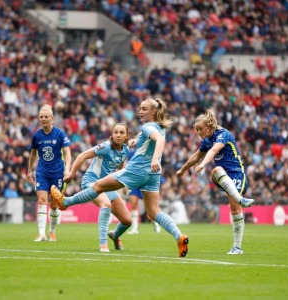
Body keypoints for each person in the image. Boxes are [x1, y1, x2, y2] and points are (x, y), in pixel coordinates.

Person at [52, 98, 189, 257]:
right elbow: (151, 139)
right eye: (139, 108)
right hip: (153, 175)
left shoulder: (148, 126)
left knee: (97, 186)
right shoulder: (159, 127)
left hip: (138, 169)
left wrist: (153, 158)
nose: (140, 111)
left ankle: (65, 202)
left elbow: (159, 140)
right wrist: (138, 142)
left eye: (144, 109)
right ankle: (179, 237)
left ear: (153, 111)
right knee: (154, 212)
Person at [176, 109, 254, 255]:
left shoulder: (224, 134)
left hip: (236, 174)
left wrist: (202, 165)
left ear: (208, 126)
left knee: (235, 209)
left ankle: (237, 247)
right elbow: (196, 156)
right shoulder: (207, 140)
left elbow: (212, 151)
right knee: (216, 170)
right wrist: (183, 169)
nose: (198, 132)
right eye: (196, 130)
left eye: (200, 129)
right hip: (222, 175)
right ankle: (240, 199)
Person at [63, 123, 132, 252]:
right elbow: (81, 156)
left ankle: (115, 236)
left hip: (107, 186)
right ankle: (103, 245)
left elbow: (120, 169)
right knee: (105, 204)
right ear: (112, 134)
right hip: (91, 182)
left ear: (127, 136)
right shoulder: (105, 147)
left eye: (121, 133)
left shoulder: (125, 150)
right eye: (115, 132)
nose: (118, 135)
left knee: (127, 221)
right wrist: (72, 174)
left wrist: (119, 184)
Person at [27, 105, 71, 242]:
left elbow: (68, 152)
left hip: (57, 172)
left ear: (52, 118)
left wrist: (67, 168)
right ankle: (41, 234)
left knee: (54, 205)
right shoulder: (36, 136)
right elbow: (33, 153)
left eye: (46, 117)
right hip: (42, 171)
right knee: (41, 200)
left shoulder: (59, 134)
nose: (43, 119)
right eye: (41, 117)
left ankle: (52, 231)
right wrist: (29, 170)